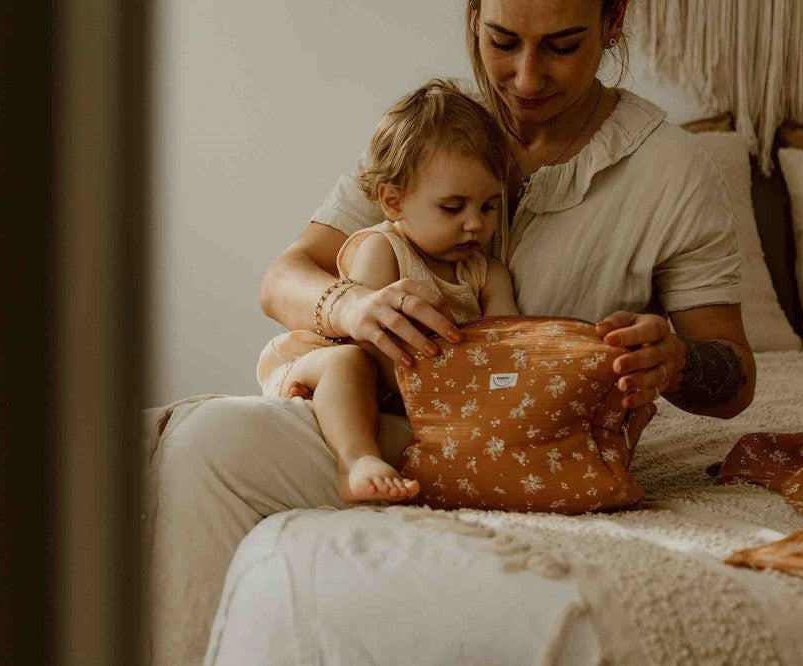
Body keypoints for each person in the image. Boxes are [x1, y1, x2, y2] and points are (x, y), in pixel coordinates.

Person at [146, 1, 758, 663]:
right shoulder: (431, 135)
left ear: (614, 24)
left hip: (536, 452)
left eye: (562, 46)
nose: (526, 78)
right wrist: (350, 307)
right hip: (384, 426)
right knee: (202, 444)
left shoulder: (673, 171)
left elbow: (735, 379)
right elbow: (282, 279)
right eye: (502, 41)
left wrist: (675, 361)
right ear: (473, 18)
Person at [255, 79, 520, 504]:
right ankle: (356, 461)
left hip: (422, 391)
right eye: (453, 208)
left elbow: (511, 343)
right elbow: (372, 345)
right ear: (394, 202)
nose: (476, 223)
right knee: (350, 363)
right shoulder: (383, 249)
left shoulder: (487, 275)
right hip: (333, 368)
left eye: (488, 206)